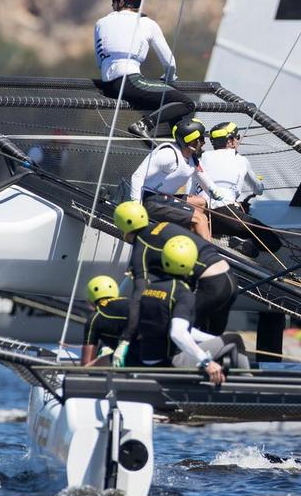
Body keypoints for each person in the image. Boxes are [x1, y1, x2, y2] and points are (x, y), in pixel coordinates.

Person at [128, 235, 251, 385]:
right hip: (170, 363)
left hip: (145, 360)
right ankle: (251, 390)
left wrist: (215, 340)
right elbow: (177, 333)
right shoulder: (182, 293)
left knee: (221, 342)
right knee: (234, 340)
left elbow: (175, 328)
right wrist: (206, 362)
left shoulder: (150, 289)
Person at [113, 201, 237, 336]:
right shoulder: (166, 226)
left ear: (122, 228)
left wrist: (127, 336)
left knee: (175, 336)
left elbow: (138, 298)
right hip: (229, 277)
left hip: (209, 285)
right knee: (210, 342)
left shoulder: (141, 245)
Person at [93, 0, 195, 139]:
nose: (112, 5)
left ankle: (176, 139)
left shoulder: (100, 23)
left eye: (114, 1)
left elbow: (99, 62)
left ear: (120, 2)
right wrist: (169, 79)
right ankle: (144, 125)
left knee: (168, 104)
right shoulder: (147, 23)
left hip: (108, 85)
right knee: (186, 103)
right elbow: (170, 63)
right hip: (130, 82)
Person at [191, 121, 282, 258]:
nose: (239, 140)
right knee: (273, 242)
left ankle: (223, 238)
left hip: (200, 215)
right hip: (226, 213)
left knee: (226, 220)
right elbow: (258, 190)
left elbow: (191, 189)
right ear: (231, 141)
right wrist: (259, 184)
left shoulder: (201, 158)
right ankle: (236, 240)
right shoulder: (241, 160)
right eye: (237, 137)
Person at [129, 118, 222, 241]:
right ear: (190, 141)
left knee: (201, 203)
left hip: (165, 197)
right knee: (201, 218)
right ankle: (209, 255)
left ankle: (191, 237)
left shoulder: (191, 159)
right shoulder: (168, 155)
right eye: (201, 139)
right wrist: (136, 204)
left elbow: (201, 175)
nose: (204, 143)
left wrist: (214, 190)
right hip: (150, 201)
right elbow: (138, 176)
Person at [80, 275, 130, 366]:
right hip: (153, 351)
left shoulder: (95, 318)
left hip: (130, 355)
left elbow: (86, 362)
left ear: (89, 301)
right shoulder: (130, 302)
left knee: (87, 367)